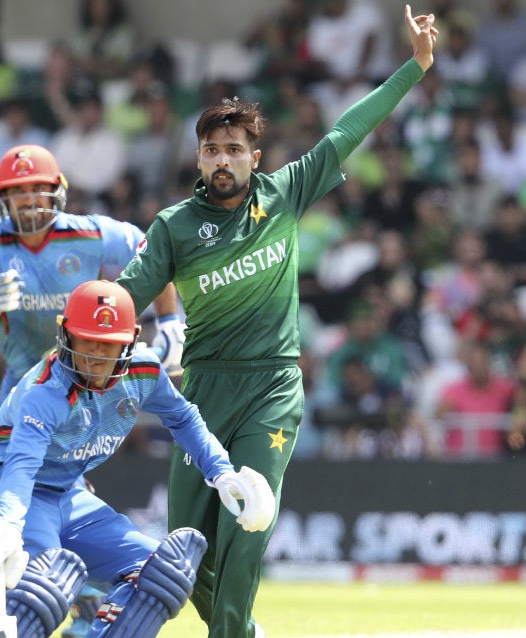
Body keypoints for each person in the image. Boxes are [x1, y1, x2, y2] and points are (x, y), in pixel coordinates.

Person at [115, 7, 438, 638]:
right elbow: (125, 298)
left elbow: (349, 130)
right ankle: (240, 631)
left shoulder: (284, 193)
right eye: (212, 150)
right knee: (186, 549)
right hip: (202, 392)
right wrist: (82, 320)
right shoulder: (174, 226)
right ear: (200, 158)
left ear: (254, 156)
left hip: (271, 387)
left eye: (234, 149)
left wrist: (416, 66)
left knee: (249, 525)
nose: (222, 160)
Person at [0, 143, 185, 636]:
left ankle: (71, 612)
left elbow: (154, 252)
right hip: (25, 397)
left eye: (38, 189)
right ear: (1, 199)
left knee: (66, 523)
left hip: (88, 392)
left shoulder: (92, 233)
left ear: (59, 193)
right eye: (18, 192)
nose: (30, 201)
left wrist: (173, 320)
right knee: (35, 539)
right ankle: (18, 611)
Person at [0, 279, 275, 638]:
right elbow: (21, 464)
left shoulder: (143, 371)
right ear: (65, 334)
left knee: (159, 573)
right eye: (87, 339)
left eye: (109, 345)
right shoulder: (45, 392)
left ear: (131, 339)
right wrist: (10, 527)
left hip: (66, 493)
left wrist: (221, 472)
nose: (95, 355)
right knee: (45, 586)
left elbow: (182, 416)